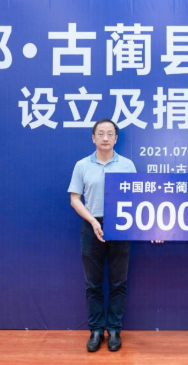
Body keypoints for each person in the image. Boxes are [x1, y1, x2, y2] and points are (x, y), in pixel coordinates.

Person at [68, 119, 136, 352]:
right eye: (100, 134)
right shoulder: (82, 165)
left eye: (110, 134)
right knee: (93, 283)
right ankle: (96, 330)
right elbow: (75, 199)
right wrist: (93, 221)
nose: (105, 138)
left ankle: (114, 330)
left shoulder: (127, 165)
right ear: (93, 138)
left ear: (116, 139)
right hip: (91, 225)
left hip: (121, 227)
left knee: (118, 282)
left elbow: (136, 199)